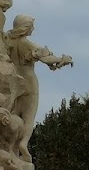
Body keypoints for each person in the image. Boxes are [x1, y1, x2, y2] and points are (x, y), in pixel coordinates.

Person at [5, 15, 70, 160]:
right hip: (29, 82)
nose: (33, 29)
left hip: (14, 82)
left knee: (14, 114)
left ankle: (10, 147)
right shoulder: (26, 44)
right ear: (26, 28)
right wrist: (62, 59)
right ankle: (23, 143)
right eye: (31, 26)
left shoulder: (8, 42)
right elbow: (46, 58)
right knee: (28, 117)